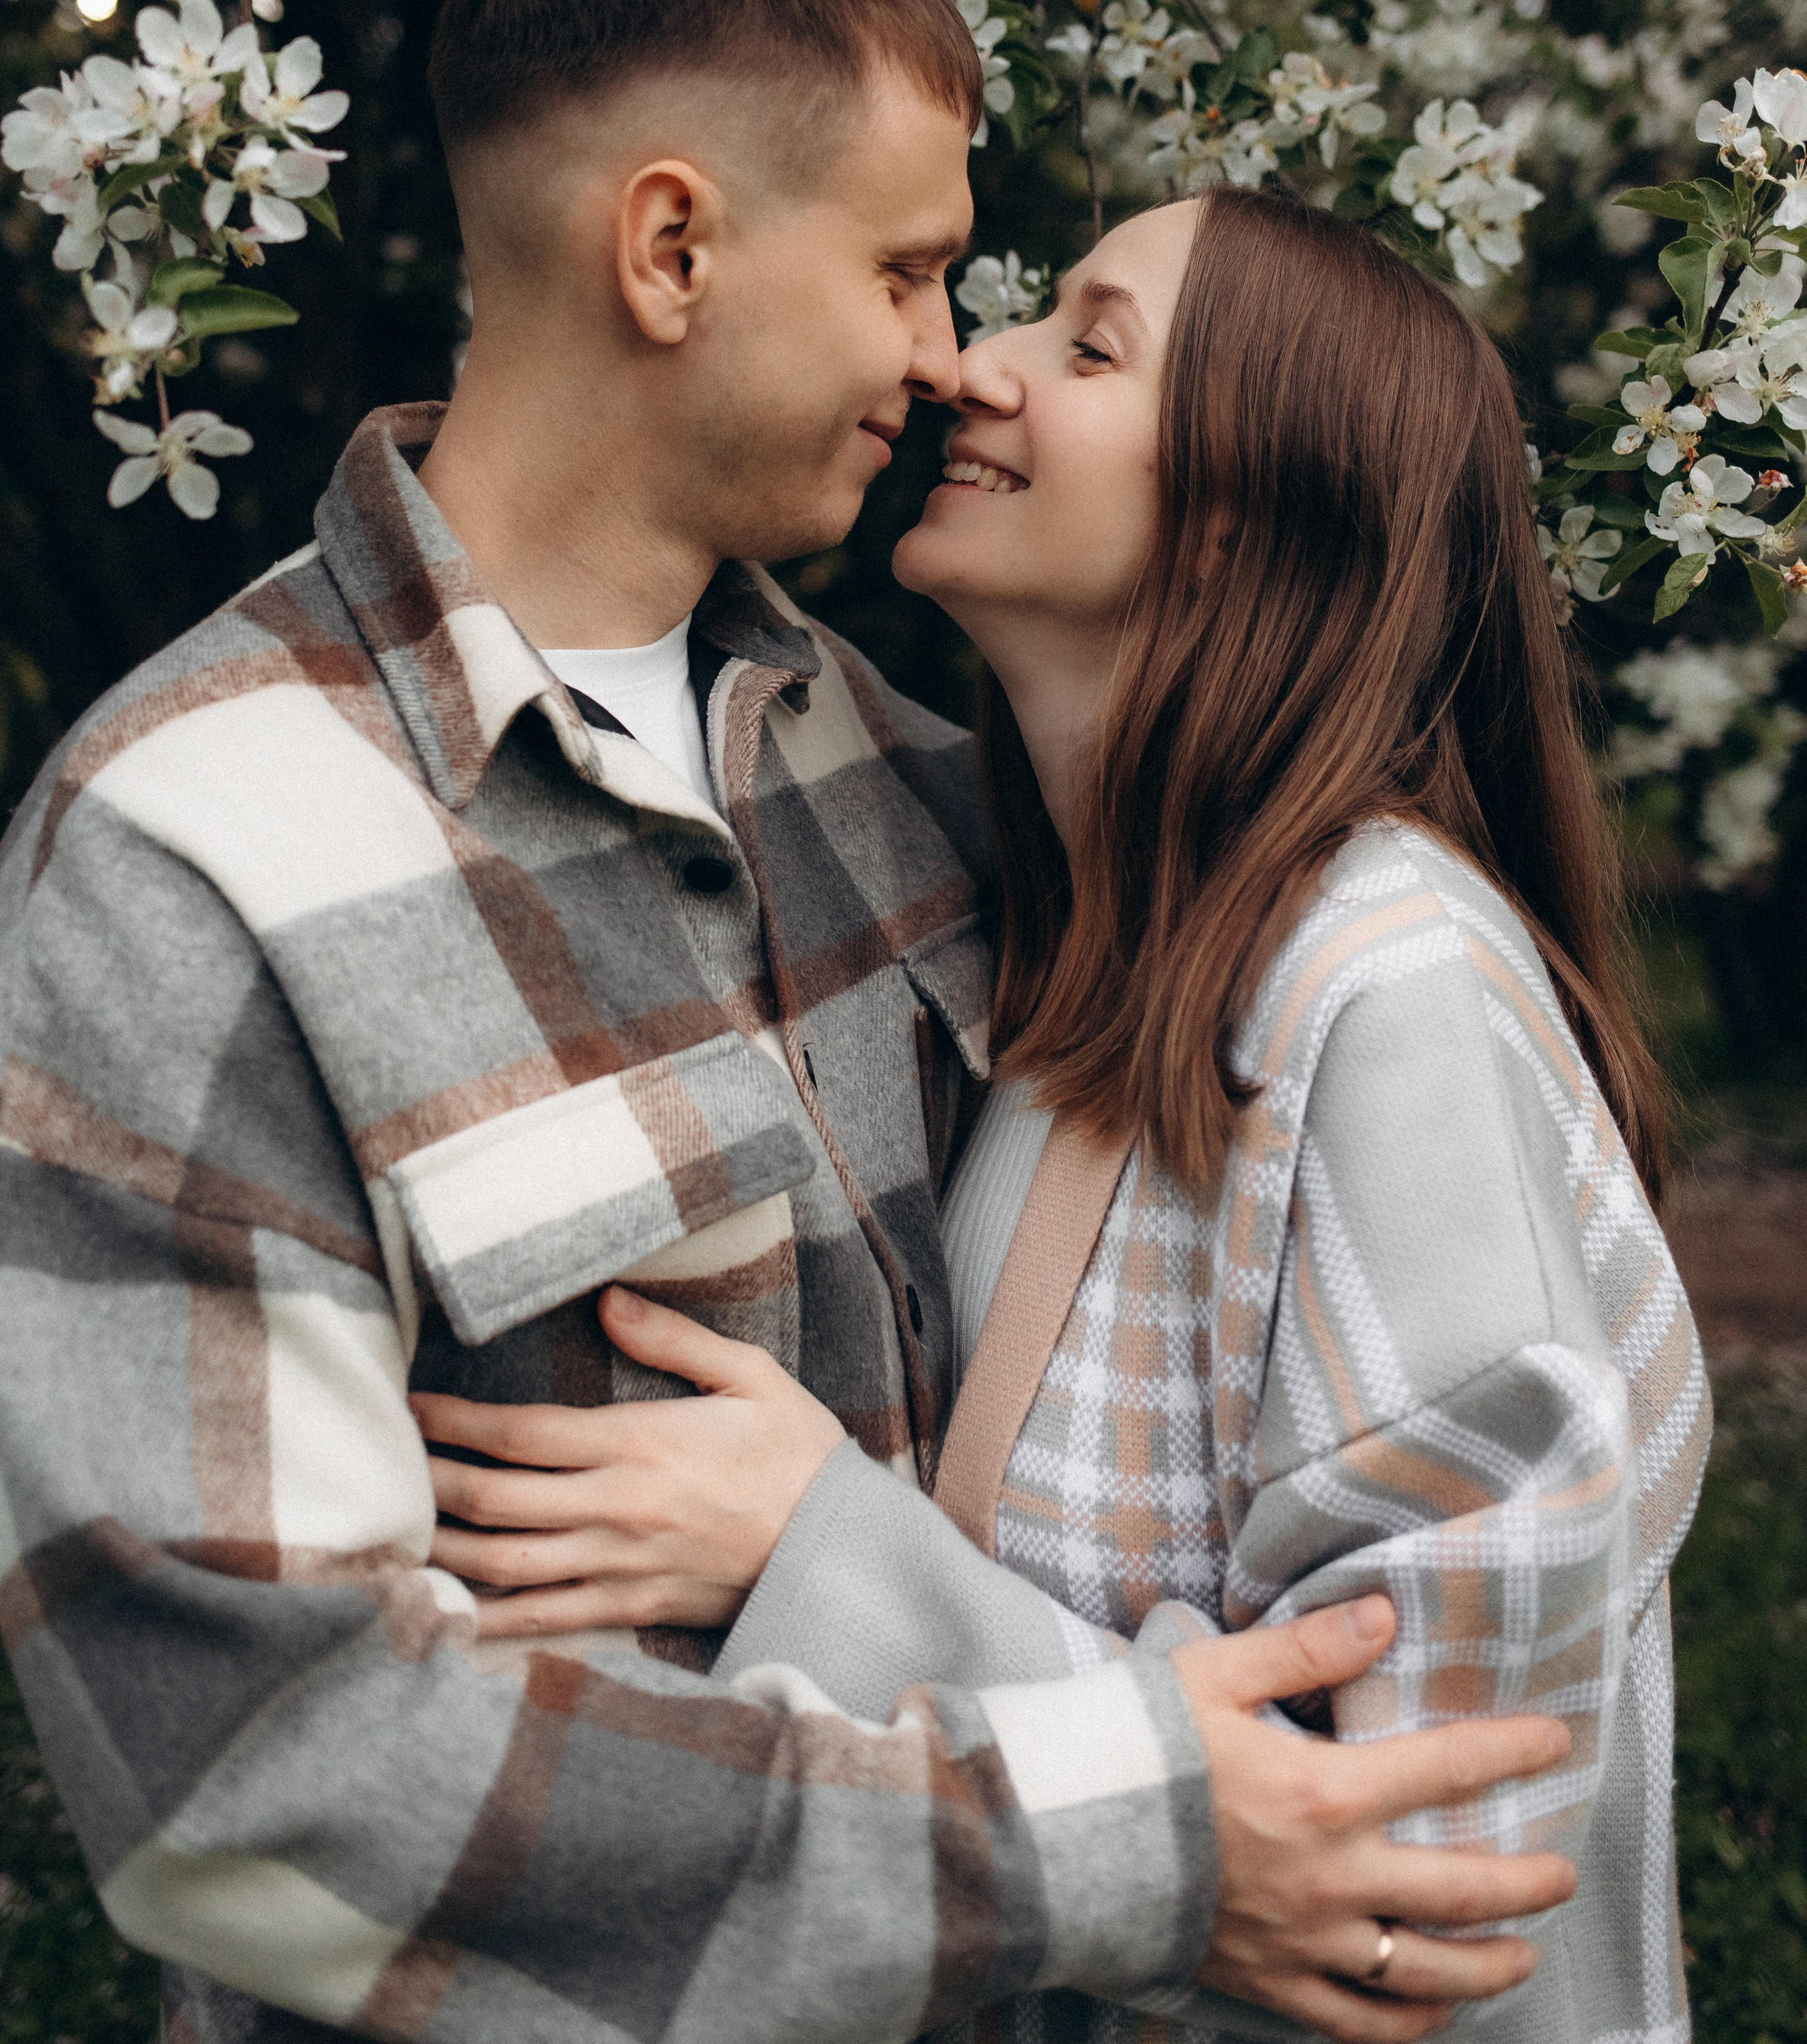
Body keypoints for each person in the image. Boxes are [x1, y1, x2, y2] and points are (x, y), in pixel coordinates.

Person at [0, 0, 1576, 2044]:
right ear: (673, 247)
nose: (949, 361)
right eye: (915, 272)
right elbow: (251, 1782)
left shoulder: (915, 782)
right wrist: (1099, 1839)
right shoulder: (189, 860)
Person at [416, 186, 1711, 2042]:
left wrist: (821, 1554)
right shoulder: (1063, 963)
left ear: (1261, 515)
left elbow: (1430, 1866)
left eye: (1087, 346)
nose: (968, 367)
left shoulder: (1386, 995)